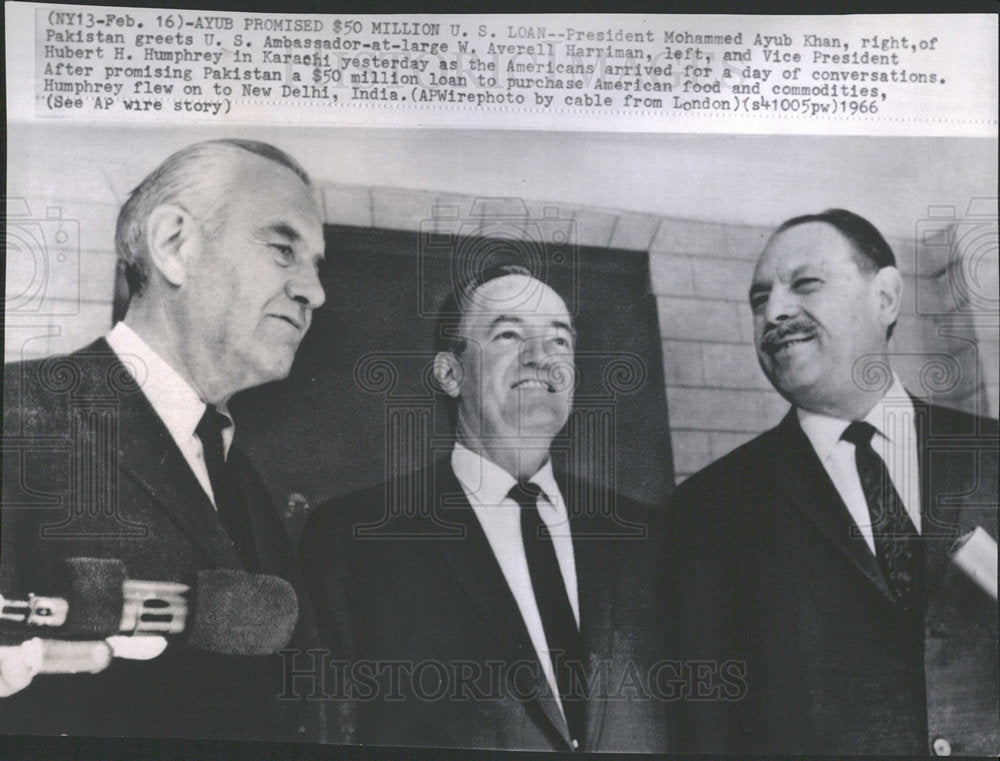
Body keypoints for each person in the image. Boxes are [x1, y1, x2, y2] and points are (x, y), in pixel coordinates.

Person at [1, 139, 328, 741]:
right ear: (174, 245)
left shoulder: (244, 482)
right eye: (283, 249)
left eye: (316, 265)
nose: (314, 291)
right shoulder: (18, 418)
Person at [668, 209, 999, 755]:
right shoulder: (708, 508)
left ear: (886, 298)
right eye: (758, 301)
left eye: (805, 285)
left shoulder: (991, 454)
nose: (774, 312)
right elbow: (708, 729)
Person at [301, 264, 670, 751]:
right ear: (449, 373)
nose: (542, 358)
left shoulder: (649, 535)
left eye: (560, 340)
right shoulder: (356, 536)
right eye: (509, 334)